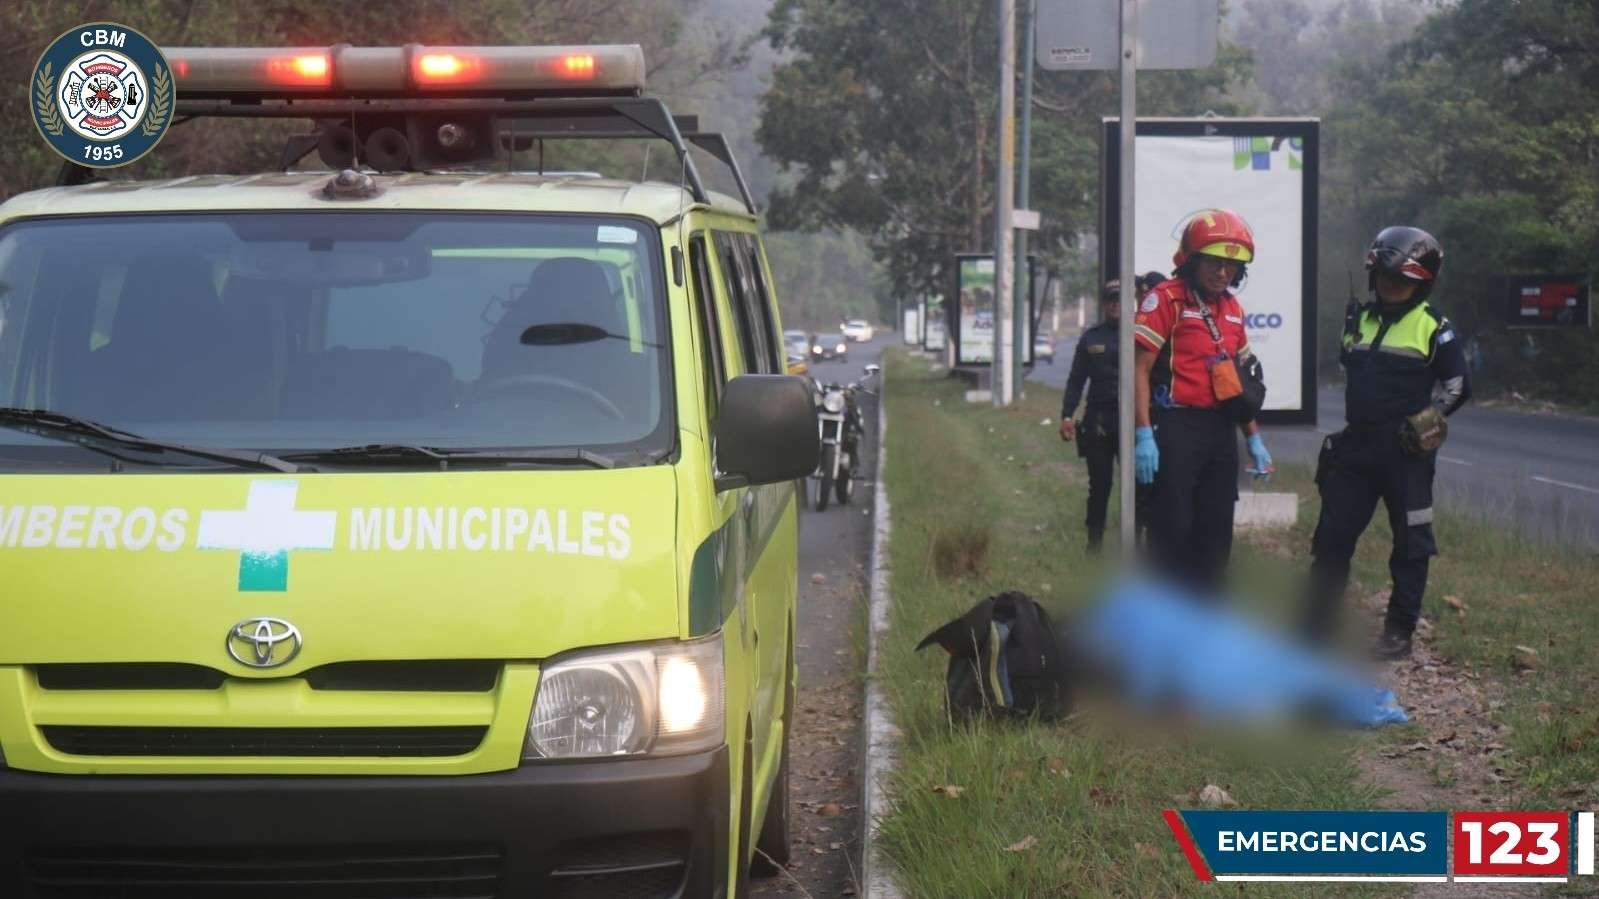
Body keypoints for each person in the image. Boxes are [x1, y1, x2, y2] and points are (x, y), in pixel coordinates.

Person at [1304, 226, 1470, 659]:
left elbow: (1457, 387)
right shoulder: (1357, 319)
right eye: (1383, 278)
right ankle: (1313, 626)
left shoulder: (1434, 326)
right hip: (1355, 450)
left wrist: (1423, 426)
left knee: (1411, 546)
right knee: (1331, 539)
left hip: (1406, 455)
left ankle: (1398, 634)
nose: (1390, 287)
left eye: (1400, 281)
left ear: (1422, 283)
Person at [1131, 209, 1273, 591]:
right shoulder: (1165, 299)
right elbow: (1138, 370)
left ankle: (1207, 627)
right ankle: (1163, 627)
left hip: (1220, 433)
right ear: (1192, 260)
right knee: (1172, 534)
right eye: (1213, 261)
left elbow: (1236, 386)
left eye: (1230, 265)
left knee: (1215, 536)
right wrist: (1144, 435)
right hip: (1177, 429)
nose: (1222, 272)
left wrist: (1253, 438)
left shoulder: (1232, 309)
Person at [1059, 279, 1150, 552]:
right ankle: (1094, 543)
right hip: (1099, 419)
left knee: (1136, 486)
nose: (1116, 304)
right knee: (1100, 484)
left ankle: (1133, 545)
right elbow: (1076, 380)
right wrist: (1066, 415)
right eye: (1111, 299)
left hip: (1132, 419)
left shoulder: (1141, 335)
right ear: (1104, 303)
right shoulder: (1091, 337)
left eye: (1121, 299)